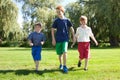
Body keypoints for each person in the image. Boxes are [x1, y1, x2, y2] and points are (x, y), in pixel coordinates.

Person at [51, 5, 75, 73]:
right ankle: (61, 64)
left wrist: (74, 36)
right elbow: (52, 29)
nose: (58, 13)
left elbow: (71, 28)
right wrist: (53, 39)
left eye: (59, 12)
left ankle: (64, 66)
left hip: (65, 38)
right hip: (58, 39)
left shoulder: (67, 20)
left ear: (63, 11)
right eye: (57, 12)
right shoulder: (56, 21)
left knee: (65, 51)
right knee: (60, 54)